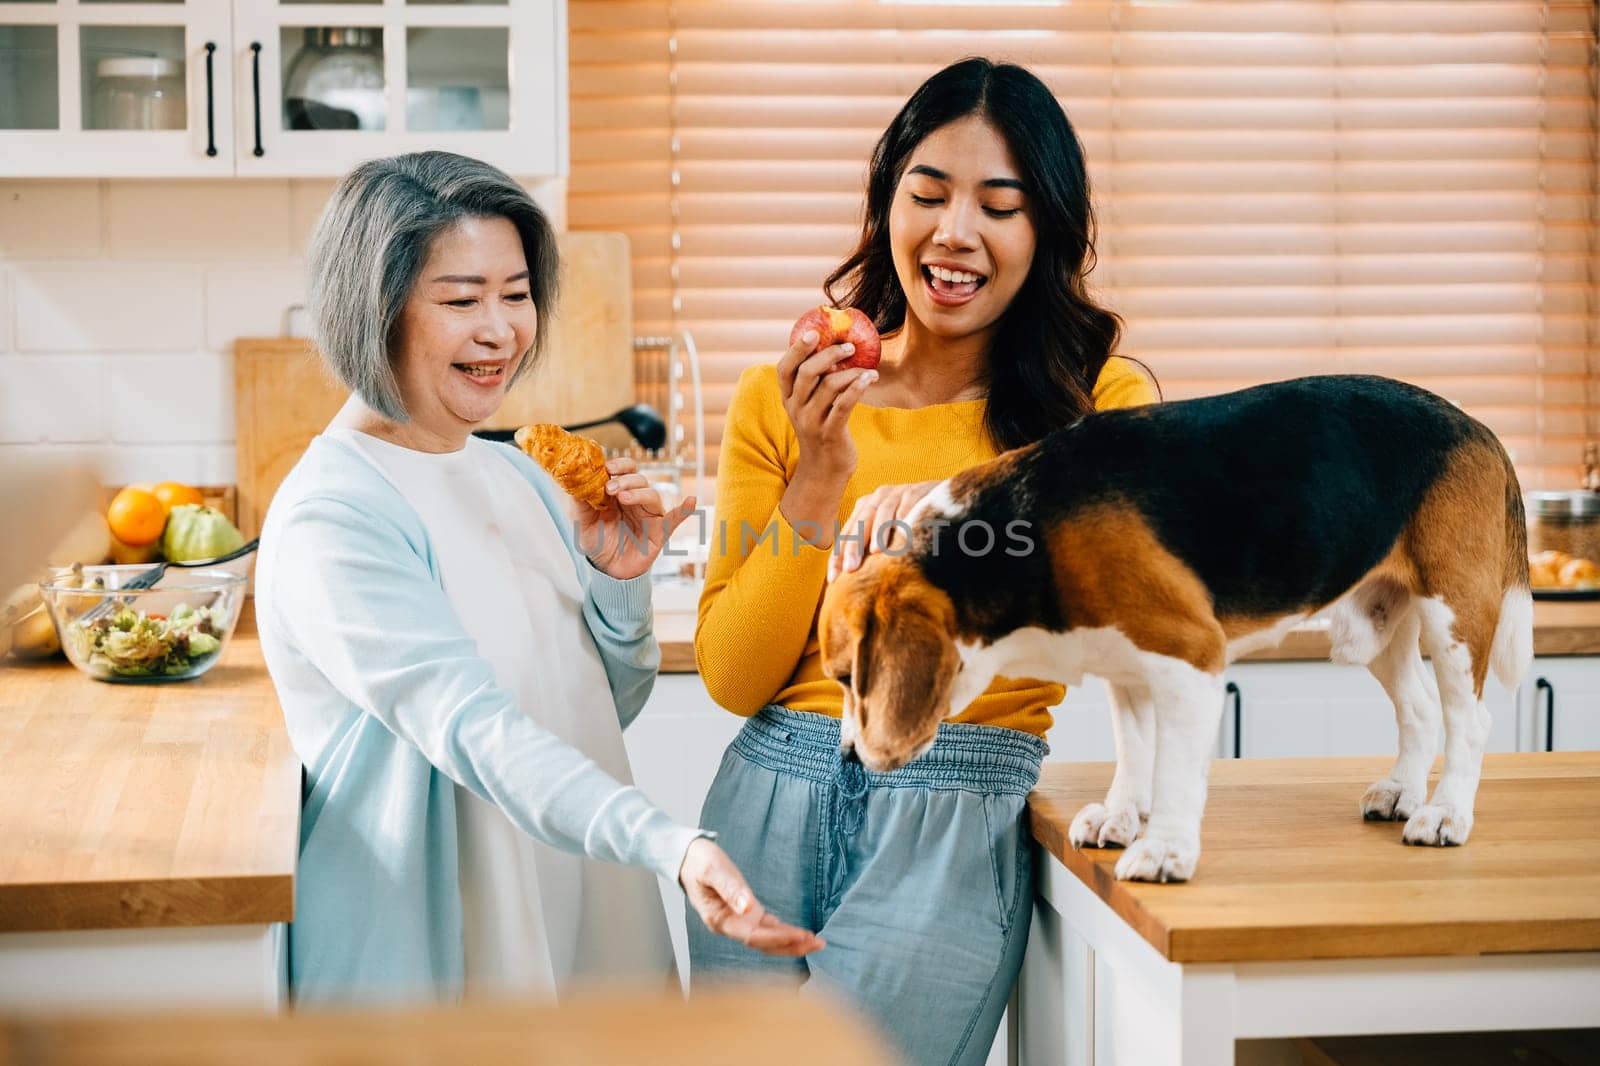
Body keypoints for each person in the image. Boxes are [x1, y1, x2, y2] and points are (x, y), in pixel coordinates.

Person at [255, 150, 821, 1006]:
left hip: (582, 907)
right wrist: (670, 845)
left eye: (516, 294)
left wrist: (618, 587)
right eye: (460, 300)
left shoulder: (519, 475)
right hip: (439, 962)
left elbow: (592, 709)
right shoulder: (334, 516)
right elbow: (477, 730)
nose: (500, 331)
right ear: (371, 311)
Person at [688, 59, 1158, 1063]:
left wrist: (960, 513)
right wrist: (820, 477)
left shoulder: (1101, 404)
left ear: (1047, 231)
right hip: (765, 795)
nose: (955, 231)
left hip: (955, 798)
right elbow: (732, 676)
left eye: (1000, 204)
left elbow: (1122, 612)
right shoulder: (787, 397)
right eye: (928, 193)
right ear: (885, 201)